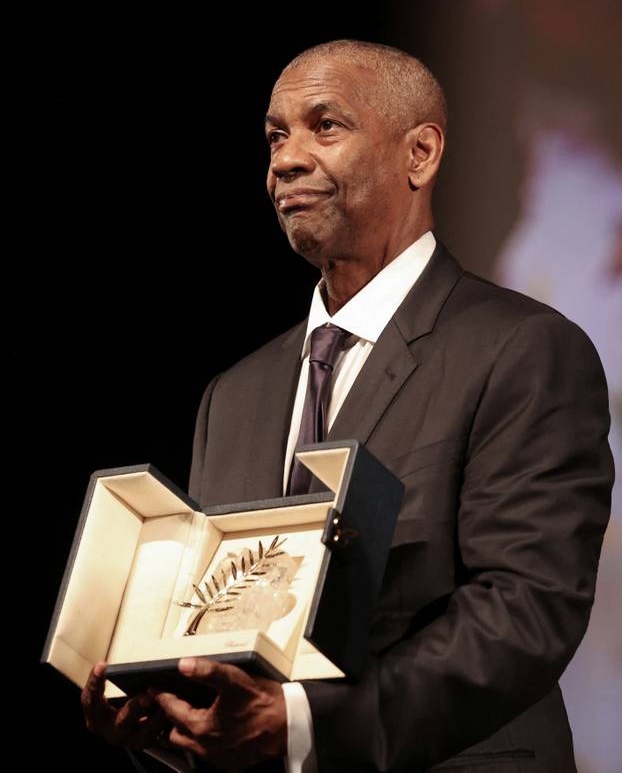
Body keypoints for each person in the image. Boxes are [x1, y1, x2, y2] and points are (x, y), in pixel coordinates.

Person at [81, 39, 615, 772]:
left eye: (324, 126)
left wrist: (305, 726)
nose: (286, 159)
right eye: (275, 135)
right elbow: (222, 653)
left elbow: (526, 610)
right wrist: (164, 722)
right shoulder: (232, 396)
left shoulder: (523, 351)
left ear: (420, 154)